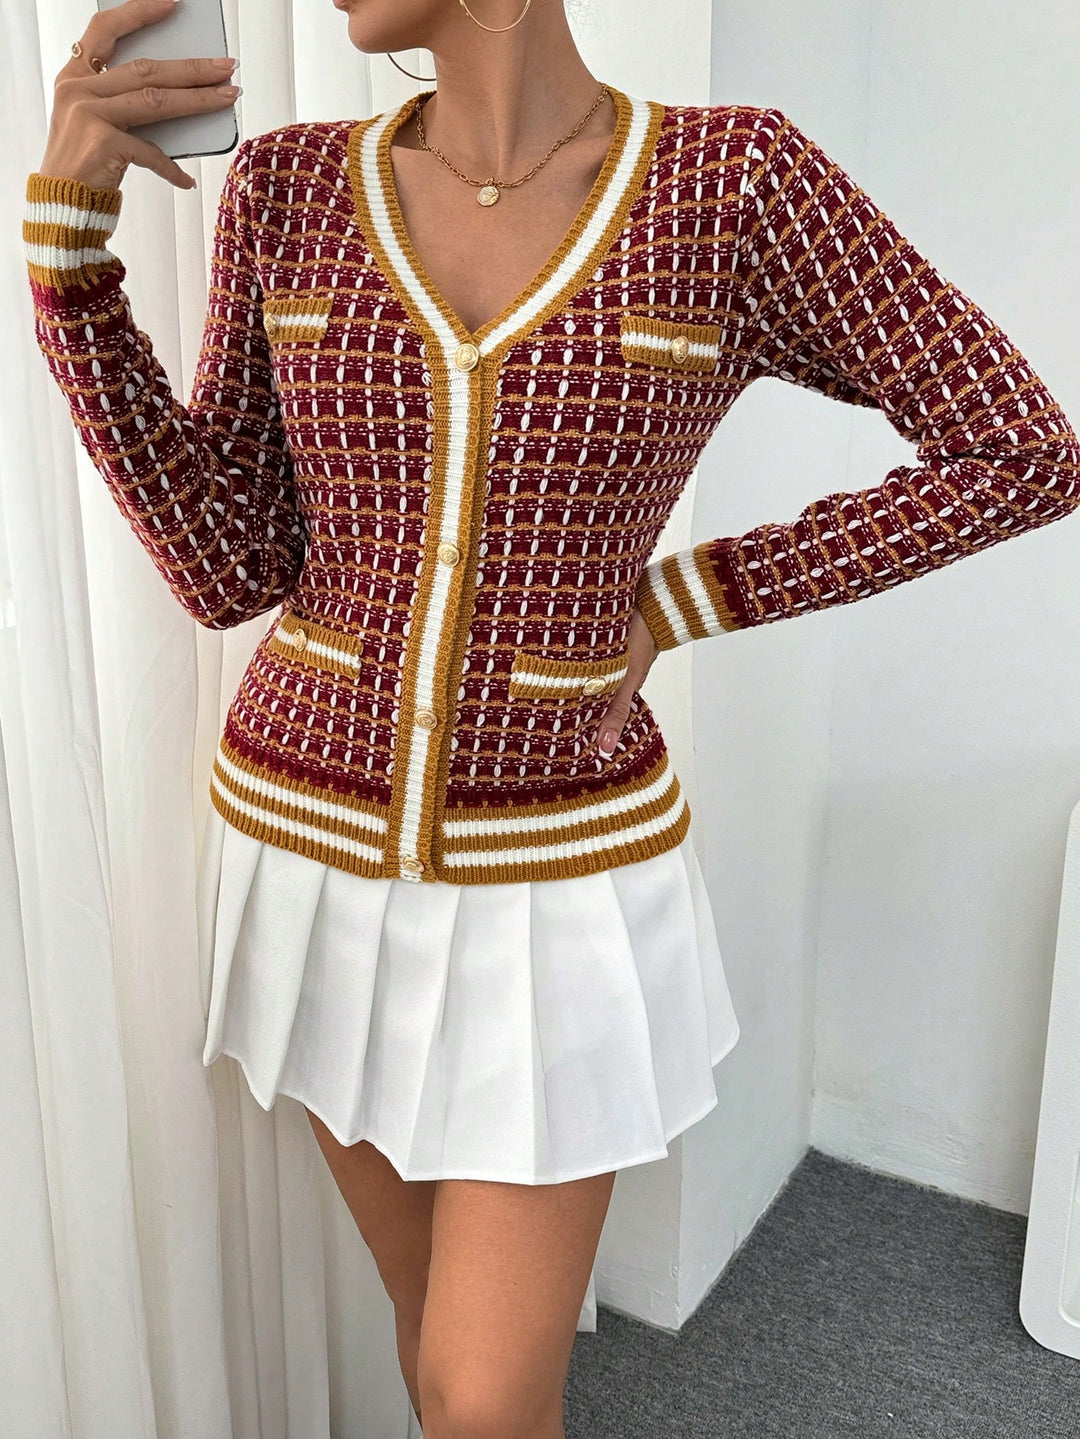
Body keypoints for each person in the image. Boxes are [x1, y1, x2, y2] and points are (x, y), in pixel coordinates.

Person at [23, 1, 1080, 1436]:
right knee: (432, 1343)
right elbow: (227, 568)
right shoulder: (286, 185)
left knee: (485, 1397)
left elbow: (1019, 450)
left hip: (559, 883)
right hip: (306, 855)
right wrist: (72, 265)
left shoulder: (731, 184)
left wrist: (684, 598)